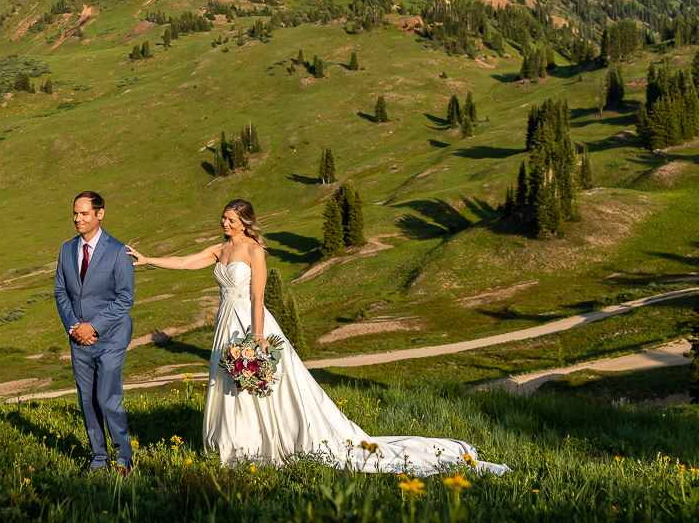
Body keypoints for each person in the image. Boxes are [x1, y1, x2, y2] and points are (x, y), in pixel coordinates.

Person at [127, 199, 507, 475]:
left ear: (244, 222)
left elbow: (258, 297)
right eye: (223, 219)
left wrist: (258, 340)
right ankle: (232, 444)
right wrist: (148, 260)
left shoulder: (254, 250)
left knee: (261, 385)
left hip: (250, 322)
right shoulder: (220, 249)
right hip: (225, 322)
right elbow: (185, 261)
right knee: (228, 381)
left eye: (230, 220)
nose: (224, 224)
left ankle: (265, 444)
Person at [54, 191, 136, 474]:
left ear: (100, 214)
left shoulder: (118, 251)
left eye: (84, 213)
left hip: (111, 336)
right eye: (75, 213)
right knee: (86, 399)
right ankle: (99, 458)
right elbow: (60, 292)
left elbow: (125, 298)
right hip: (79, 338)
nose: (78, 219)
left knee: (107, 397)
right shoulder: (66, 249)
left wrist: (95, 326)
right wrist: (74, 327)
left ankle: (123, 458)